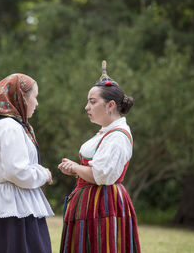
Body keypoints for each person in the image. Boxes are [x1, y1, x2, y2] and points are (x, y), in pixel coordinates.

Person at [58, 61, 141, 253]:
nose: (87, 107)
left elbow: (101, 176)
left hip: (103, 205)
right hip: (91, 204)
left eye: (93, 102)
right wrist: (75, 169)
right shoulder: (106, 133)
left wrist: (75, 168)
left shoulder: (118, 136)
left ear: (111, 105)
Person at [0, 73, 54, 253]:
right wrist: (43, 174)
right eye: (35, 97)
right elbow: (16, 172)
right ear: (22, 98)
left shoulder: (0, 125)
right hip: (14, 205)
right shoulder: (10, 127)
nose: (37, 103)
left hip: (4, 202)